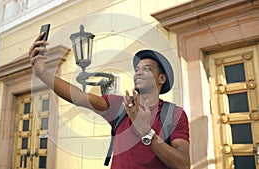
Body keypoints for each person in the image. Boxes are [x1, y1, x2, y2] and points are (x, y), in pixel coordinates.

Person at [29, 32, 190, 169]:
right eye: (136, 69)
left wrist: (147, 132)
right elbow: (79, 97)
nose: (138, 73)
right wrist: (43, 73)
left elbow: (183, 164)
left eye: (146, 68)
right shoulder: (119, 106)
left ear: (161, 78)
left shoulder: (174, 114)